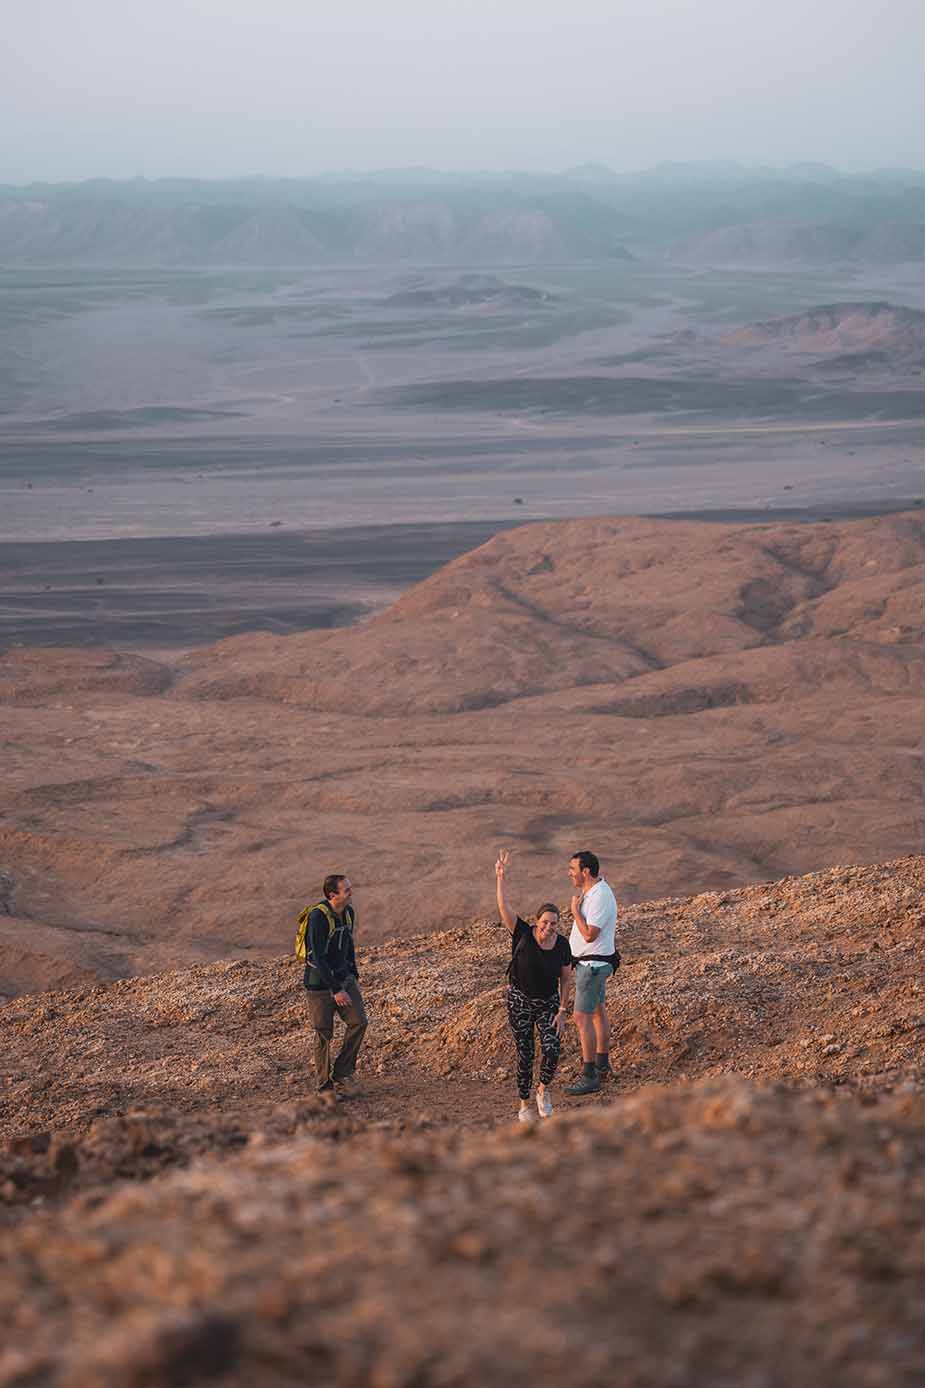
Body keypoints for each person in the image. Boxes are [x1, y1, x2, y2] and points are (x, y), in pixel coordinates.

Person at [495, 849, 574, 1122]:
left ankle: (543, 1090)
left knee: (552, 1049)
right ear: (537, 921)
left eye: (553, 924)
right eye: (544, 922)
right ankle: (524, 1104)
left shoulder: (562, 945)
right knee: (525, 1054)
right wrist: (501, 878)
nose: (549, 927)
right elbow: (503, 907)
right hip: (520, 1000)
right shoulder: (522, 934)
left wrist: (563, 1010)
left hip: (549, 1002)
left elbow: (566, 978)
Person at [301, 873, 368, 1097]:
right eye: (347, 890)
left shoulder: (348, 912)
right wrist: (335, 989)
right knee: (323, 1033)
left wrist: (353, 973)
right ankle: (324, 1088)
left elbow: (348, 943)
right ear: (333, 895)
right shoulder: (318, 917)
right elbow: (317, 957)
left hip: (344, 979)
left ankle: (343, 1072)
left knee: (359, 1021)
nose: (351, 892)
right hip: (320, 986)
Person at [564, 850, 618, 1096]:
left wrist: (574, 911)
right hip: (591, 964)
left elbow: (590, 935)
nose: (570, 873)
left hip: (592, 966)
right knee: (597, 1012)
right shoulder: (594, 892)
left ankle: (589, 1075)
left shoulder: (599, 896)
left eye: (572, 869)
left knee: (581, 1017)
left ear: (586, 871)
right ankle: (602, 1064)